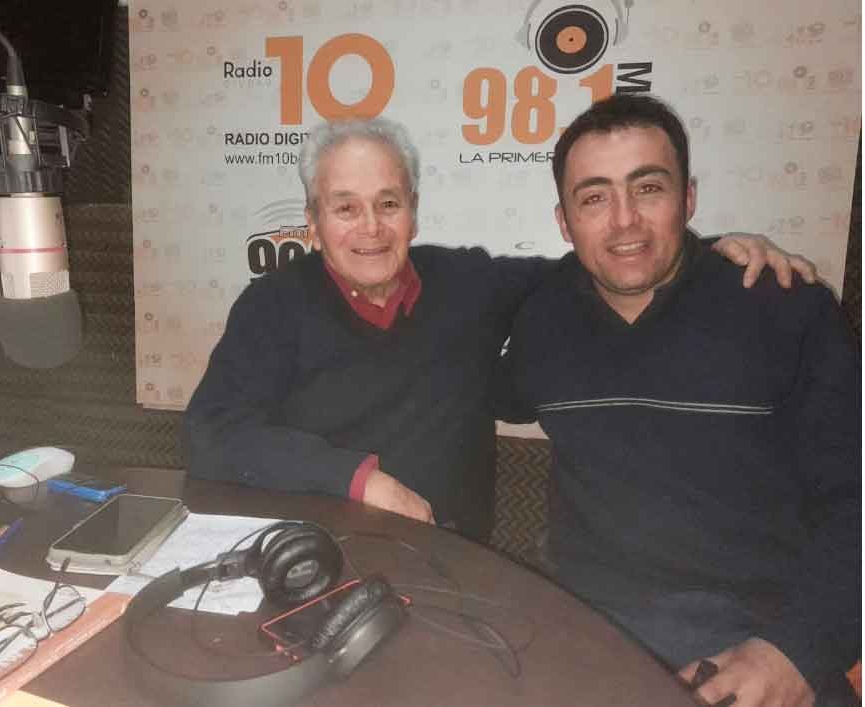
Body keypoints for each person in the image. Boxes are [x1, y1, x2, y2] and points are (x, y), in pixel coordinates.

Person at [183, 117, 815, 544]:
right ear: (314, 222)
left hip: (452, 560)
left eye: (388, 203)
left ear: (413, 212)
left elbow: (607, 260)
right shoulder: (273, 305)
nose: (370, 227)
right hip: (315, 550)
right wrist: (361, 480)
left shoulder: (469, 282)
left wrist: (712, 250)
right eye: (345, 207)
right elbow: (212, 433)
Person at [503, 94, 860, 707]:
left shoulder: (784, 306)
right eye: (594, 198)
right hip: (587, 627)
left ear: (687, 199)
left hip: (764, 635)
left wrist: (798, 651)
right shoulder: (543, 320)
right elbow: (457, 375)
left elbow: (856, 495)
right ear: (564, 222)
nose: (625, 221)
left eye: (648, 188)